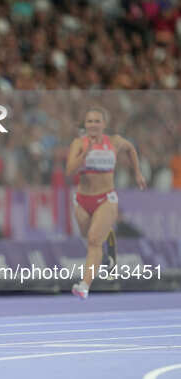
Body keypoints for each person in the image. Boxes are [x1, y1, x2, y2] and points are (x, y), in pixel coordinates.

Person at [66, 106, 146, 299]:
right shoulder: (79, 143)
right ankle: (108, 234)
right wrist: (85, 155)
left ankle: (84, 285)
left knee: (94, 240)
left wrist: (137, 172)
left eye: (97, 121)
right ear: (85, 125)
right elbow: (69, 171)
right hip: (83, 199)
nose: (93, 125)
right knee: (88, 235)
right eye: (89, 121)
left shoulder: (115, 141)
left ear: (104, 124)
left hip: (105, 198)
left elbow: (131, 149)